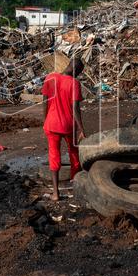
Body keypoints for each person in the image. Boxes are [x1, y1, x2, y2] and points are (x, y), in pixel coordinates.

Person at [42, 57, 85, 201]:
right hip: (68, 125)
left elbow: (44, 102)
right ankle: (75, 187)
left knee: (54, 156)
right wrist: (82, 129)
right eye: (79, 72)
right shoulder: (74, 83)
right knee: (74, 154)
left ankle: (55, 193)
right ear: (76, 70)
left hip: (51, 123)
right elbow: (75, 108)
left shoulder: (50, 77)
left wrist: (45, 120)